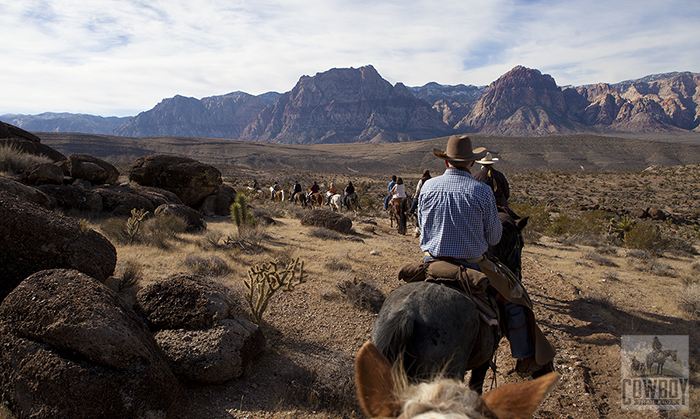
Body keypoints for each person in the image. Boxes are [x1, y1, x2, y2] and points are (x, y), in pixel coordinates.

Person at [418, 134, 554, 377]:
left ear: (446, 162)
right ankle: (525, 358)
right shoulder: (481, 192)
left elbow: (422, 227)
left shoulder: (428, 186)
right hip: (473, 265)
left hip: (432, 262)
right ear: (471, 163)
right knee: (516, 299)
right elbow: (493, 239)